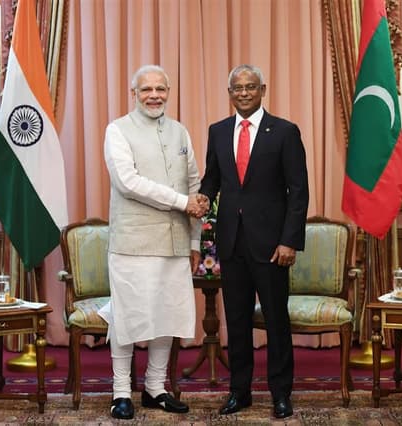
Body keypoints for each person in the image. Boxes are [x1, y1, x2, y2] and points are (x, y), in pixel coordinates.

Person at [199, 64, 309, 419]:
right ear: (229, 93)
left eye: (250, 87)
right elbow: (212, 179)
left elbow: (298, 192)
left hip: (273, 246)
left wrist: (289, 241)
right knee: (237, 321)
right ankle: (239, 391)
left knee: (276, 321)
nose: (244, 93)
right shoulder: (218, 131)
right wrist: (202, 197)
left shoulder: (285, 132)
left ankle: (281, 393)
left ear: (262, 89)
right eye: (237, 88)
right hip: (231, 243)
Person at [100, 64, 208, 420]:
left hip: (175, 242)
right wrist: (182, 202)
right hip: (133, 242)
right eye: (146, 89)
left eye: (160, 89)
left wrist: (195, 241)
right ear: (134, 93)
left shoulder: (180, 132)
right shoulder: (117, 130)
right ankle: (120, 392)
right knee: (128, 317)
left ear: (168, 92)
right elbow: (128, 182)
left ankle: (155, 388)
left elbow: (193, 184)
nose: (154, 96)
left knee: (167, 316)